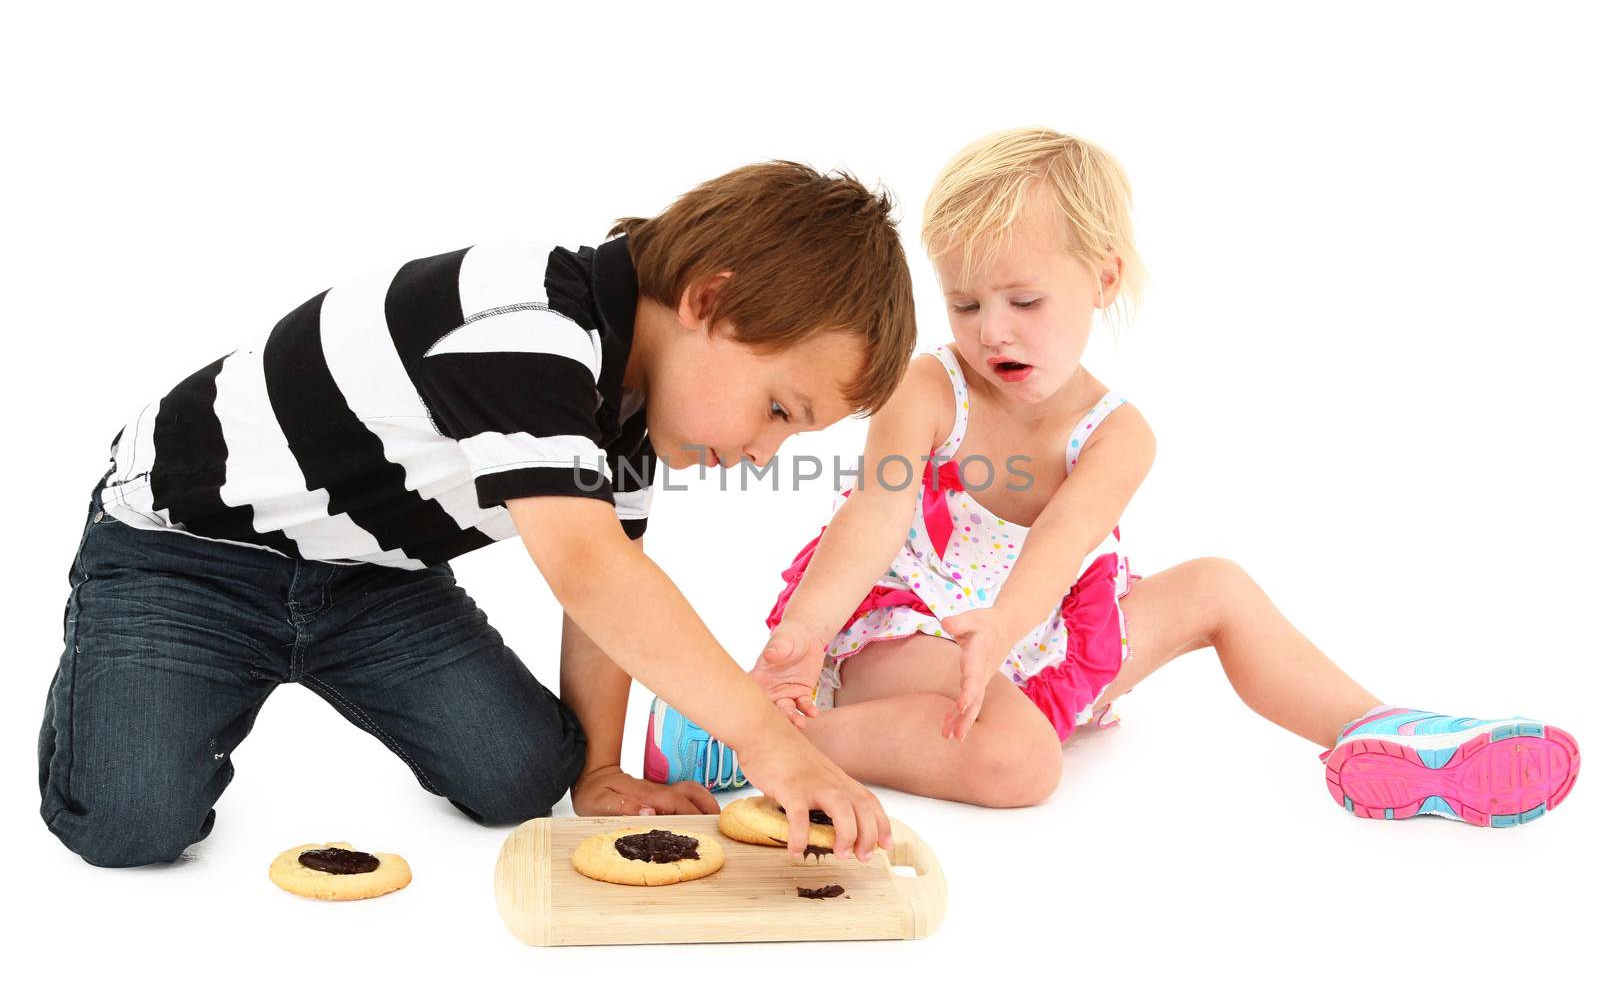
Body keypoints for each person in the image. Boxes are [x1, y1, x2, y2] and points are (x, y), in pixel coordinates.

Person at [644, 130, 1580, 828]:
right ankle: (747, 733)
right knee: (1019, 763)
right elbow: (875, 511)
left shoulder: (1119, 433)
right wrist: (803, 634)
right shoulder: (931, 389)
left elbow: (1064, 543)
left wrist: (1006, 631)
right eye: (965, 302)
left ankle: (1385, 730)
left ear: (1102, 279)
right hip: (920, 626)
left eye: (1024, 300)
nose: (991, 330)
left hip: (1034, 629)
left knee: (1217, 584)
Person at [40, 161, 913, 867]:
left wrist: (602, 769)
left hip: (373, 582)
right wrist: (773, 745)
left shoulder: (637, 413)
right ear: (709, 300)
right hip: (189, 557)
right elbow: (590, 570)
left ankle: (285, 665)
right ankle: (136, 678)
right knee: (131, 827)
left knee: (525, 774)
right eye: (780, 410)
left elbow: (605, 593)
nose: (766, 452)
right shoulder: (525, 319)